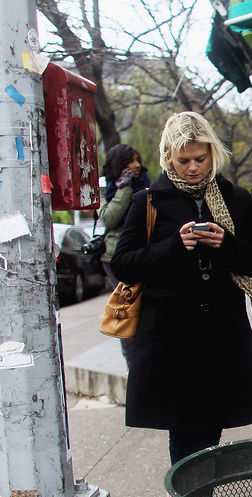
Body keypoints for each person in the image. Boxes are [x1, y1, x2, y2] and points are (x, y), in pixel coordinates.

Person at [111, 111, 252, 464]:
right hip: (171, 334)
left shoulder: (237, 197)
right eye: (183, 160)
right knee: (180, 428)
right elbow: (122, 263)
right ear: (168, 157)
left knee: (211, 426)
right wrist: (172, 247)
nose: (193, 167)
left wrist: (225, 243)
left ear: (213, 154)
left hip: (221, 333)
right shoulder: (147, 201)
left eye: (200, 158)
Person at [99, 144, 152, 370]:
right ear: (119, 165)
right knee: (127, 312)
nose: (136, 165)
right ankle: (135, 368)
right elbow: (109, 218)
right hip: (116, 258)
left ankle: (153, 361)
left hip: (146, 253)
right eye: (130, 161)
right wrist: (124, 189)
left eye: (137, 160)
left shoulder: (148, 184)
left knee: (150, 309)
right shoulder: (108, 189)